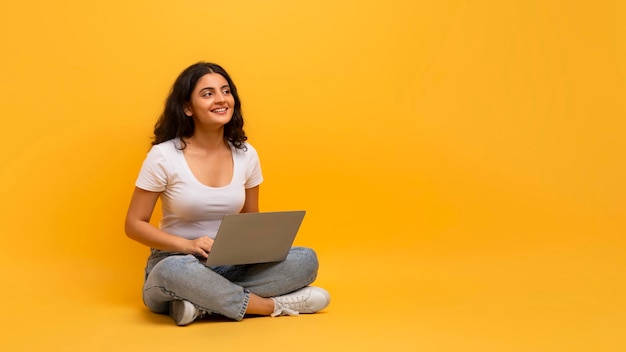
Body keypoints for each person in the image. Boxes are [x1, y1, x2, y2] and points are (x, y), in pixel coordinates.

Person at [124, 62, 330, 326]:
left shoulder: (246, 154)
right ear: (188, 107)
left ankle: (201, 304)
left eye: (226, 91)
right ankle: (270, 306)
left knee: (305, 259)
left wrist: (259, 248)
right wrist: (188, 246)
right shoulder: (163, 156)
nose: (221, 99)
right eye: (207, 94)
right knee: (171, 272)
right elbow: (134, 225)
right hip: (177, 261)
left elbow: (251, 219)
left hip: (231, 262)